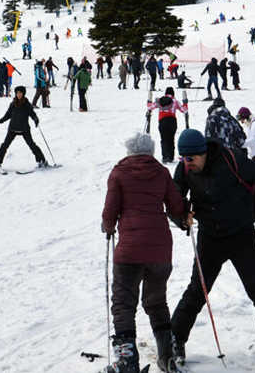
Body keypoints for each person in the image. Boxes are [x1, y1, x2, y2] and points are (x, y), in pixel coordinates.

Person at [170, 129, 255, 367]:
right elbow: (175, 196)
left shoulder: (231, 159)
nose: (188, 162)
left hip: (241, 235)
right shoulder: (185, 168)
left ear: (203, 153)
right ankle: (175, 339)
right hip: (210, 237)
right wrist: (181, 216)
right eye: (184, 158)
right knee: (197, 290)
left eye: (192, 158)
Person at [101, 133, 185, 373]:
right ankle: (167, 357)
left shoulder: (119, 173)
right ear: (150, 151)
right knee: (157, 301)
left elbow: (110, 210)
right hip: (160, 249)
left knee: (124, 304)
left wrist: (108, 227)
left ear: (129, 151)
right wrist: (185, 219)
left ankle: (127, 363)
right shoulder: (161, 173)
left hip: (129, 251)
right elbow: (176, 207)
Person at [0, 86, 48, 171]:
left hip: (24, 129)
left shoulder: (27, 104)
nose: (18, 94)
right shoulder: (13, 104)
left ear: (23, 94)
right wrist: (0, 121)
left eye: (20, 93)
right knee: (4, 145)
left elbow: (32, 114)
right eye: (17, 93)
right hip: (13, 128)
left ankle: (42, 160)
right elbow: (8, 115)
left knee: (32, 145)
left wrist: (35, 119)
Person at [146, 87, 187, 163]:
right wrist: (185, 103)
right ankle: (171, 157)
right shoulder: (175, 101)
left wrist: (149, 101)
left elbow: (150, 107)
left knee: (164, 139)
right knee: (171, 139)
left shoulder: (160, 100)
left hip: (162, 121)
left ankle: (165, 157)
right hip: (172, 121)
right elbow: (184, 110)